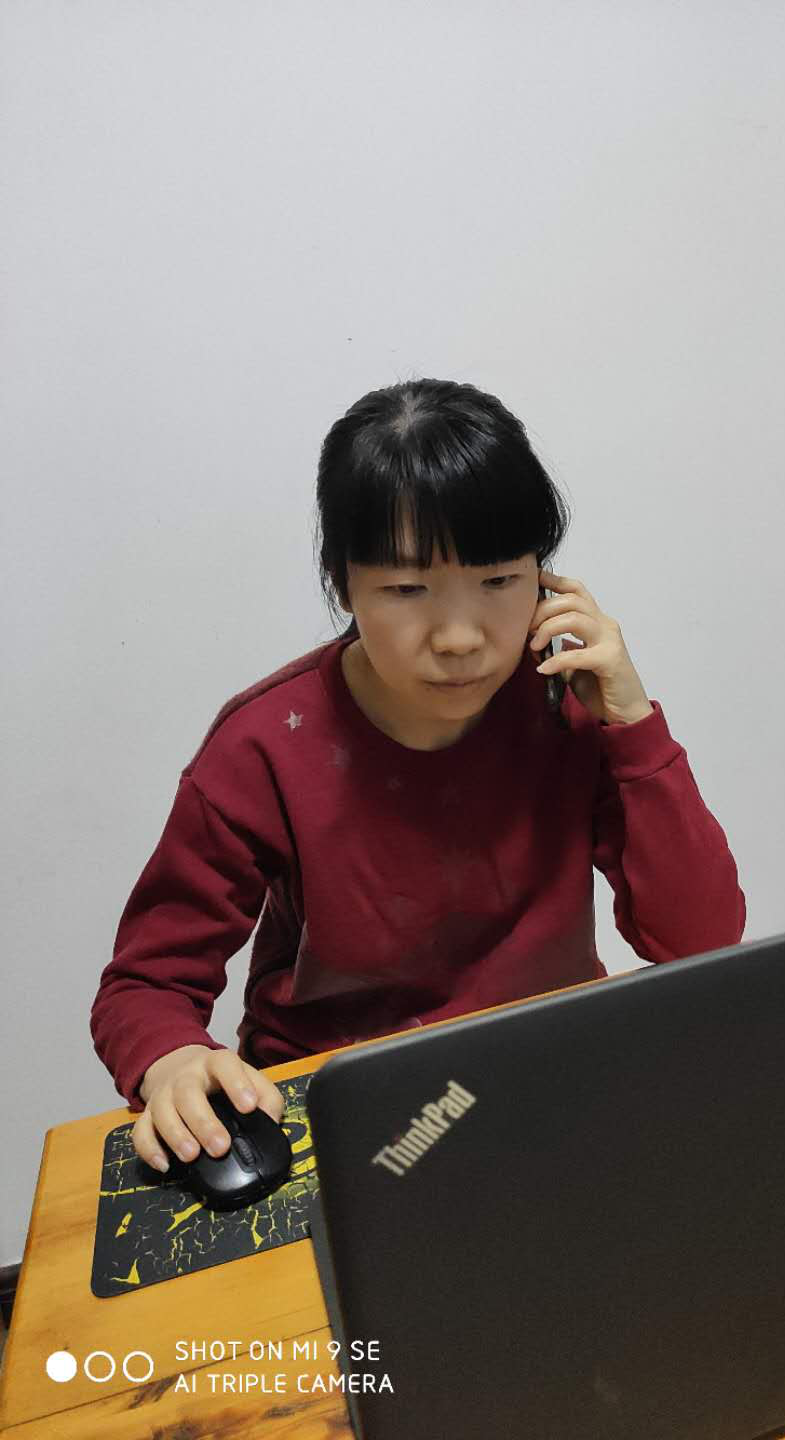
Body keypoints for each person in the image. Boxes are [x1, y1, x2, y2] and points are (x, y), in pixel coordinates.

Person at [90, 378, 746, 1175]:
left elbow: (700, 941)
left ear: (546, 580)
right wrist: (171, 1061)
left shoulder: (569, 702)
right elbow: (146, 984)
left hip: (544, 1063)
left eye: (500, 580)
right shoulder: (264, 746)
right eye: (406, 590)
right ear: (342, 583)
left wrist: (634, 727)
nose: (461, 636)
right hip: (344, 1097)